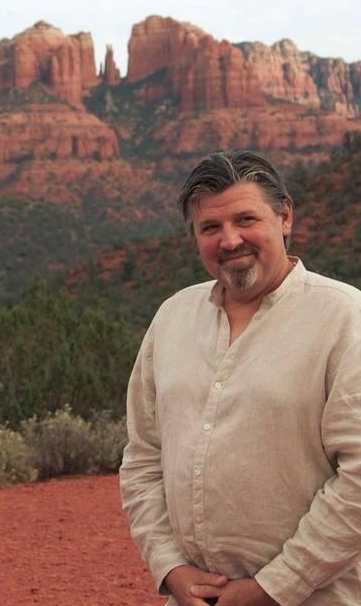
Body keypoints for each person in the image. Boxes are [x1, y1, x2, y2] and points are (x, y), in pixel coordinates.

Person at [120, 150, 361, 606]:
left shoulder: (344, 318)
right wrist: (170, 566)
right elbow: (142, 458)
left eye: (245, 219)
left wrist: (276, 585)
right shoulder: (172, 318)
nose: (230, 240)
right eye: (210, 228)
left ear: (285, 216)